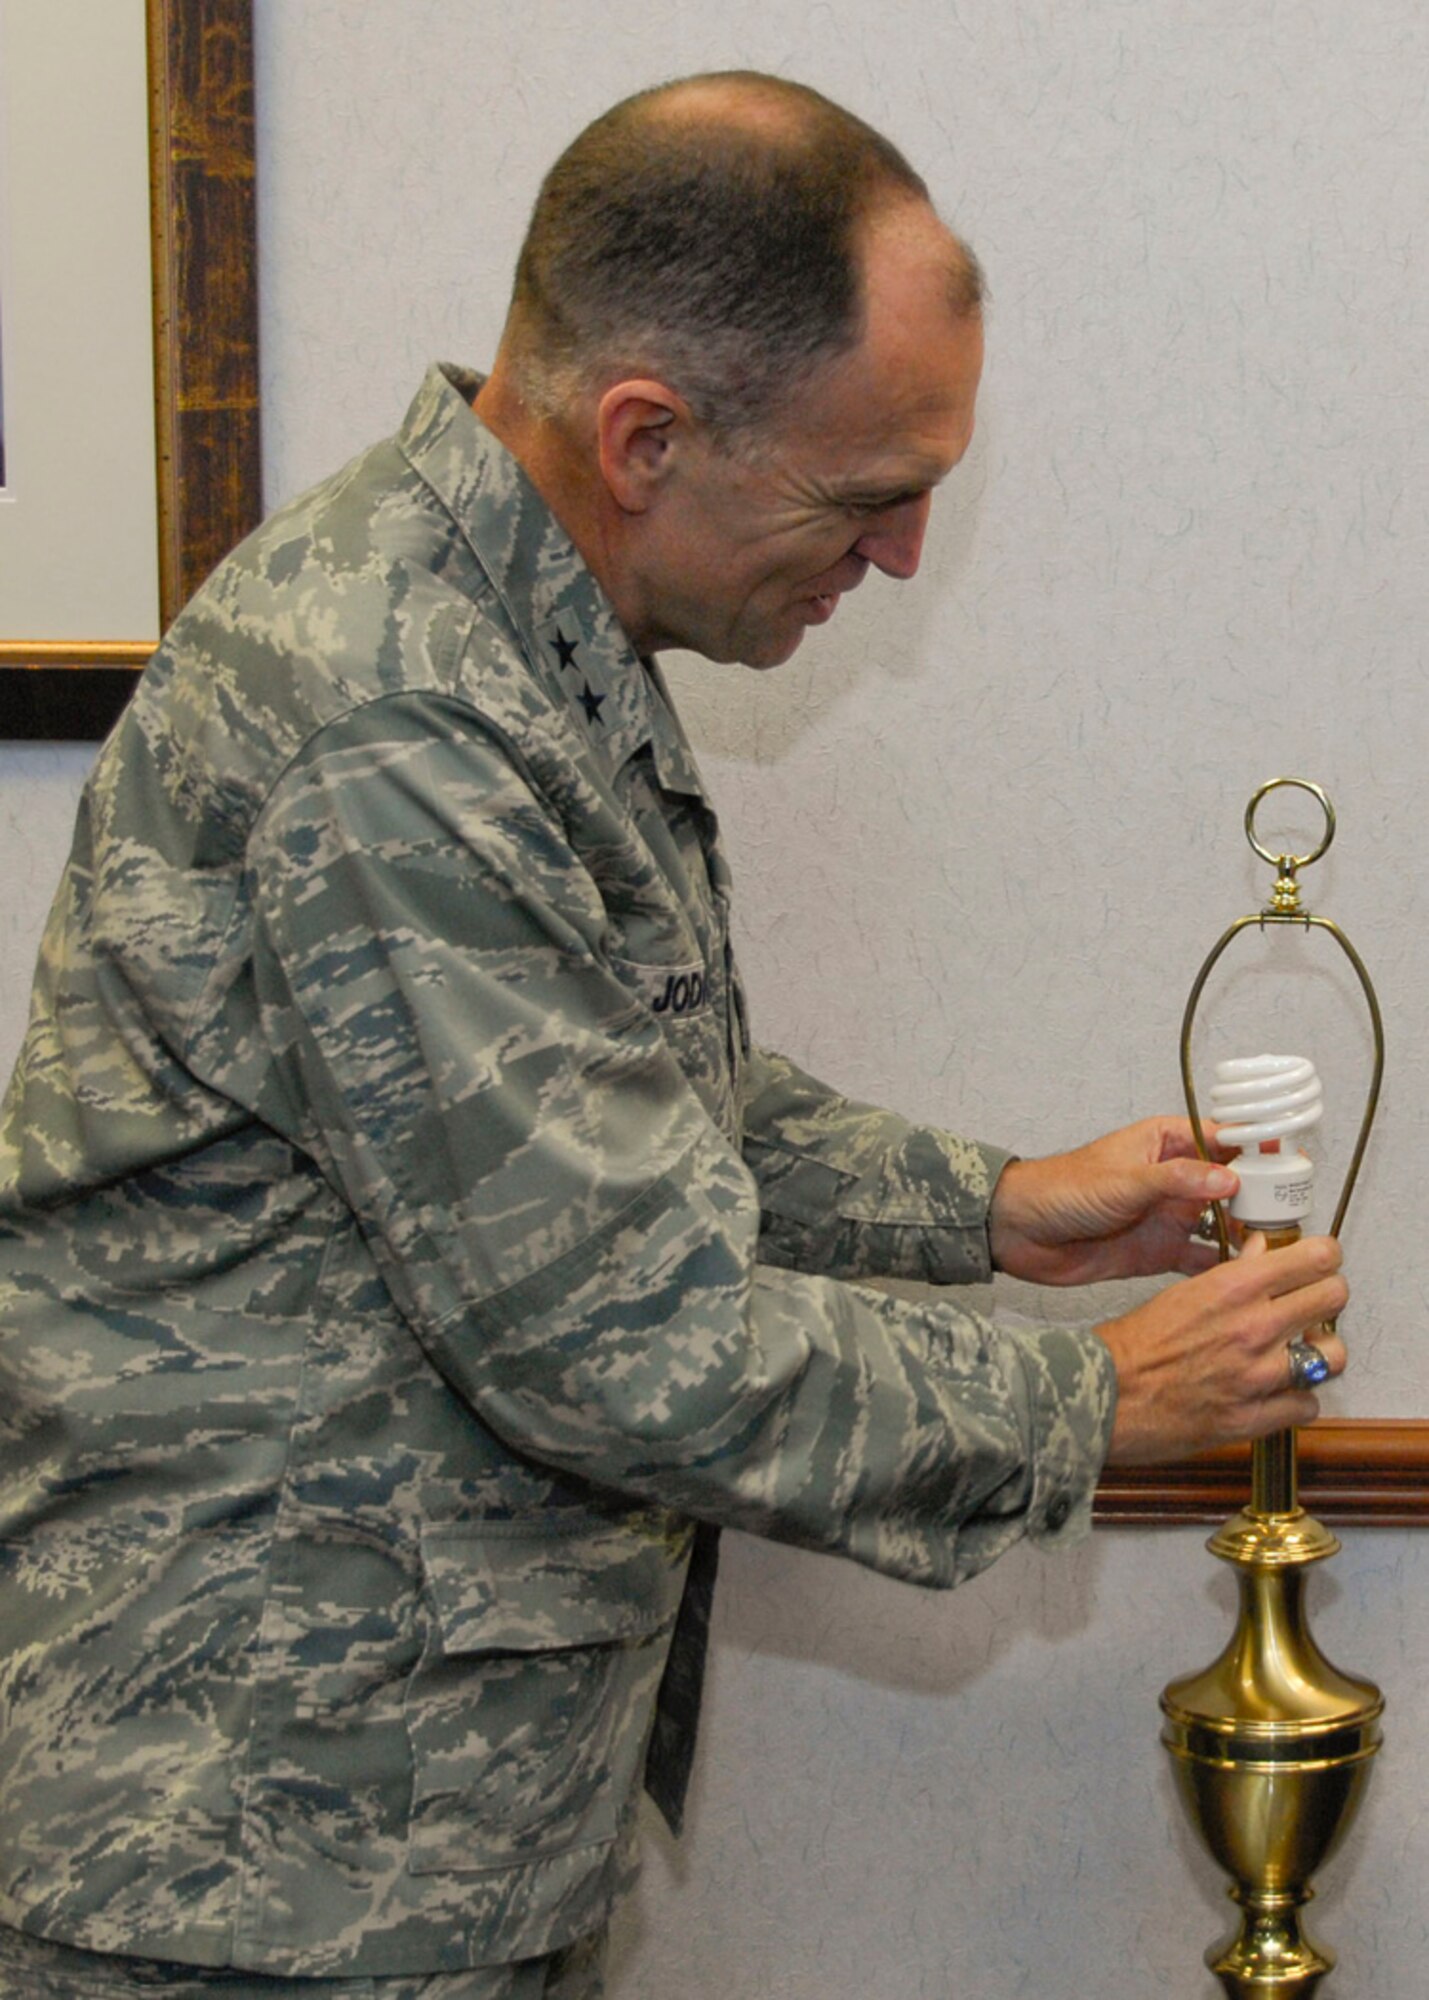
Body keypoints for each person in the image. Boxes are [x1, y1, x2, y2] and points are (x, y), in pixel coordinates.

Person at [0, 71, 1347, 2000]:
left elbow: (619, 1098)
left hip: (389, 1823)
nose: (890, 562)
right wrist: (1090, 1400)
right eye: (867, 498)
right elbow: (617, 1329)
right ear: (644, 436)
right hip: (262, 1857)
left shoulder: (503, 639)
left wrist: (992, 1205)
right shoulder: (399, 717)